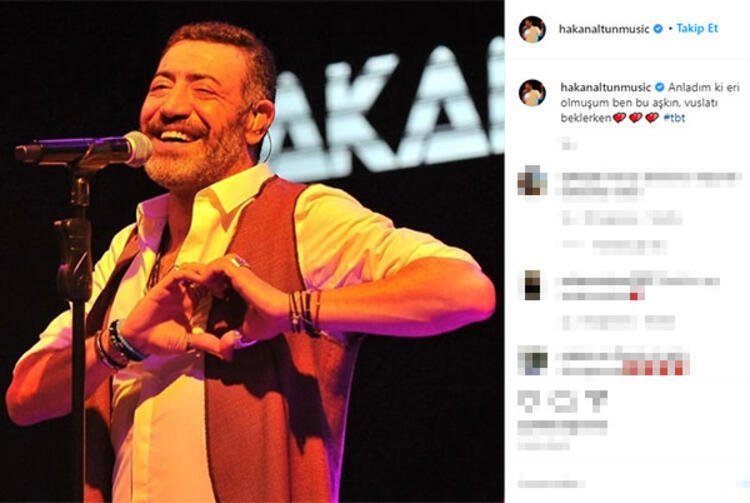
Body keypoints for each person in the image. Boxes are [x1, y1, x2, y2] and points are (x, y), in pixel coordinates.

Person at [5, 21, 496, 502]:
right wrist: (122, 341)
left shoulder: (301, 214)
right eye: (161, 87)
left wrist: (293, 309)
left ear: (257, 119)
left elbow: (465, 290)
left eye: (204, 90)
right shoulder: (130, 247)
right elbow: (24, 397)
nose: (172, 107)